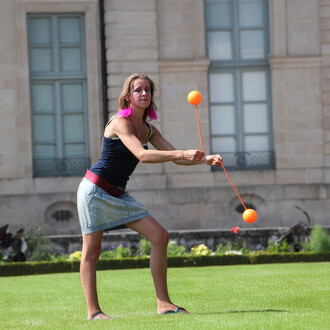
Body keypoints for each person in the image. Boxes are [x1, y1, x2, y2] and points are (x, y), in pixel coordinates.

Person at [77, 73, 223, 320]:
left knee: (160, 235)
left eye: (147, 90)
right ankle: (94, 313)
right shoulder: (118, 123)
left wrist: (204, 159)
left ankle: (164, 304)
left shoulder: (148, 129)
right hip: (95, 191)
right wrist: (182, 153)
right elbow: (143, 155)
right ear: (128, 96)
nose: (144, 94)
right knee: (92, 252)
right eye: (138, 90)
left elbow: (175, 157)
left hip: (118, 194)